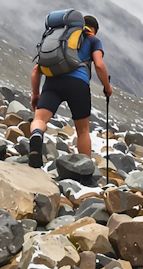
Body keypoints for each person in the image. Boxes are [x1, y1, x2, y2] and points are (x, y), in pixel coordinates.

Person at [27, 14, 112, 168]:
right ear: (94, 30)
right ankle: (85, 169)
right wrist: (107, 87)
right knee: (83, 130)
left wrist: (35, 94)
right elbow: (99, 65)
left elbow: (35, 70)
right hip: (78, 84)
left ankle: (37, 137)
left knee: (39, 119)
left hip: (53, 82)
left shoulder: (60, 38)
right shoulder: (93, 40)